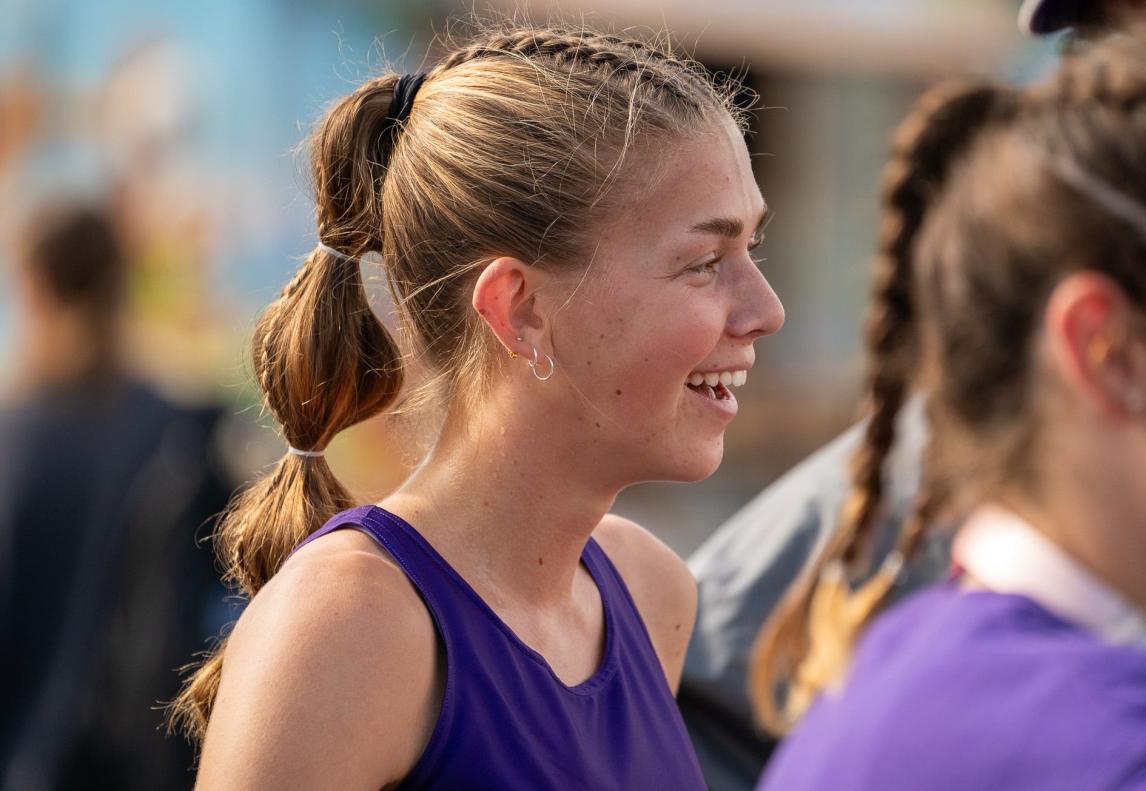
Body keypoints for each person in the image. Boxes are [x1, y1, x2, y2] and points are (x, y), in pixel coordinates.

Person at [170, 23, 784, 790]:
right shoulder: (349, 624)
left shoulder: (648, 589)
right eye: (703, 263)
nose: (766, 309)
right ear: (519, 308)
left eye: (751, 250)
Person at [677, 2, 1146, 786]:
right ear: (1108, 350)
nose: (1109, 101)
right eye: (1111, 51)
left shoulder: (906, 676)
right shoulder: (1145, 754)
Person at [0, 201, 232, 790]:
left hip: (30, 759)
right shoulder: (185, 425)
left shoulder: (17, 438)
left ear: (34, 287)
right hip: (159, 758)